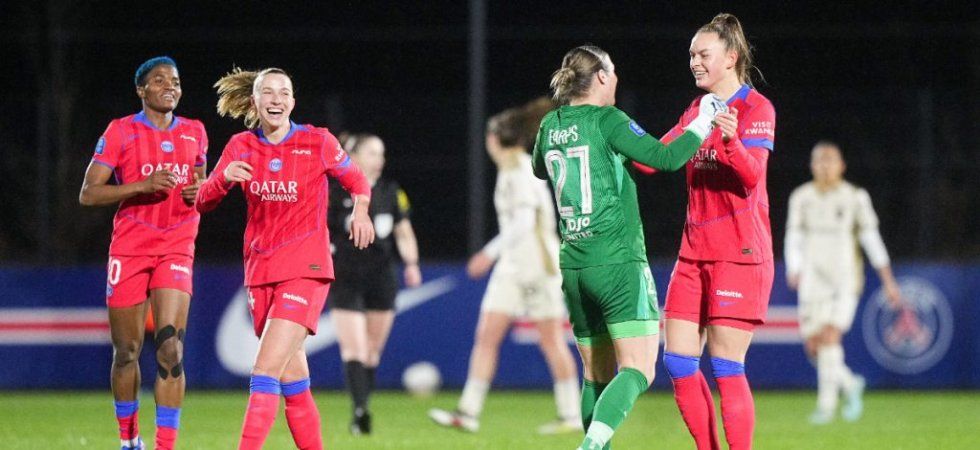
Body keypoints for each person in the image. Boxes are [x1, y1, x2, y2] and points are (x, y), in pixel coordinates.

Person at [532, 45, 723, 450]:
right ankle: (590, 446)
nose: (616, 78)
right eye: (613, 71)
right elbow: (665, 158)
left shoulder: (549, 124)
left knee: (596, 376)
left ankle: (593, 443)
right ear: (602, 76)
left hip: (574, 266)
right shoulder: (608, 119)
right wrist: (704, 121)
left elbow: (538, 168)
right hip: (617, 262)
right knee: (638, 368)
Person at [196, 67, 375, 450]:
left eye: (284, 92)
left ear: (293, 102)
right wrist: (223, 178)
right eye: (268, 92)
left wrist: (361, 211)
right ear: (255, 100)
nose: (276, 99)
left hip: (306, 269)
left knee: (264, 370)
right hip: (260, 271)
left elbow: (358, 181)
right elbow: (202, 201)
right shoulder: (241, 146)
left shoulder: (317, 141)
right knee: (294, 381)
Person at [633, 13, 776, 450]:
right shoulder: (697, 110)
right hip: (693, 254)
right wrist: (615, 130)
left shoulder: (756, 108)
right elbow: (654, 158)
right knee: (678, 362)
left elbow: (751, 178)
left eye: (703, 54)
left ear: (730, 57)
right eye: (692, 54)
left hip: (740, 254)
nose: (694, 62)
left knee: (727, 366)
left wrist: (731, 142)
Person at [428, 102, 582, 435]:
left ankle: (571, 414)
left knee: (551, 341)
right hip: (512, 266)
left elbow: (525, 222)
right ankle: (468, 412)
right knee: (487, 336)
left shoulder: (520, 171)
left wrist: (487, 254)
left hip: (539, 266)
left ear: (494, 139)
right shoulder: (511, 168)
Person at [79, 56, 207, 450]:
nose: (170, 86)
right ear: (141, 89)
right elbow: (88, 193)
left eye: (175, 80)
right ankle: (129, 439)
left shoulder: (196, 131)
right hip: (131, 249)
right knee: (127, 351)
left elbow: (201, 181)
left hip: (176, 246)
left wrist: (199, 191)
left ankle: (165, 445)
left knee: (171, 348)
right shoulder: (121, 131)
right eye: (159, 80)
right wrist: (141, 186)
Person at [785, 141, 904, 424]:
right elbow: (793, 235)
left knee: (830, 335)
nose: (825, 166)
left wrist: (888, 281)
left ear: (841, 166)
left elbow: (871, 239)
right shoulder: (801, 197)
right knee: (814, 346)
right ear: (812, 165)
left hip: (845, 279)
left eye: (830, 160)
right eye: (820, 160)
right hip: (812, 279)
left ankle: (825, 407)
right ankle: (850, 384)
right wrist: (794, 267)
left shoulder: (855, 197)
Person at [327, 132, 422, 435]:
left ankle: (363, 405)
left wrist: (411, 264)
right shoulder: (334, 191)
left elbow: (404, 232)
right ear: (354, 156)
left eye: (381, 154)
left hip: (381, 278)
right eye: (372, 153)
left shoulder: (391, 191)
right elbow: (319, 232)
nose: (379, 160)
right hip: (345, 276)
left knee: (371, 352)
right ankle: (360, 411)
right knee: (354, 349)